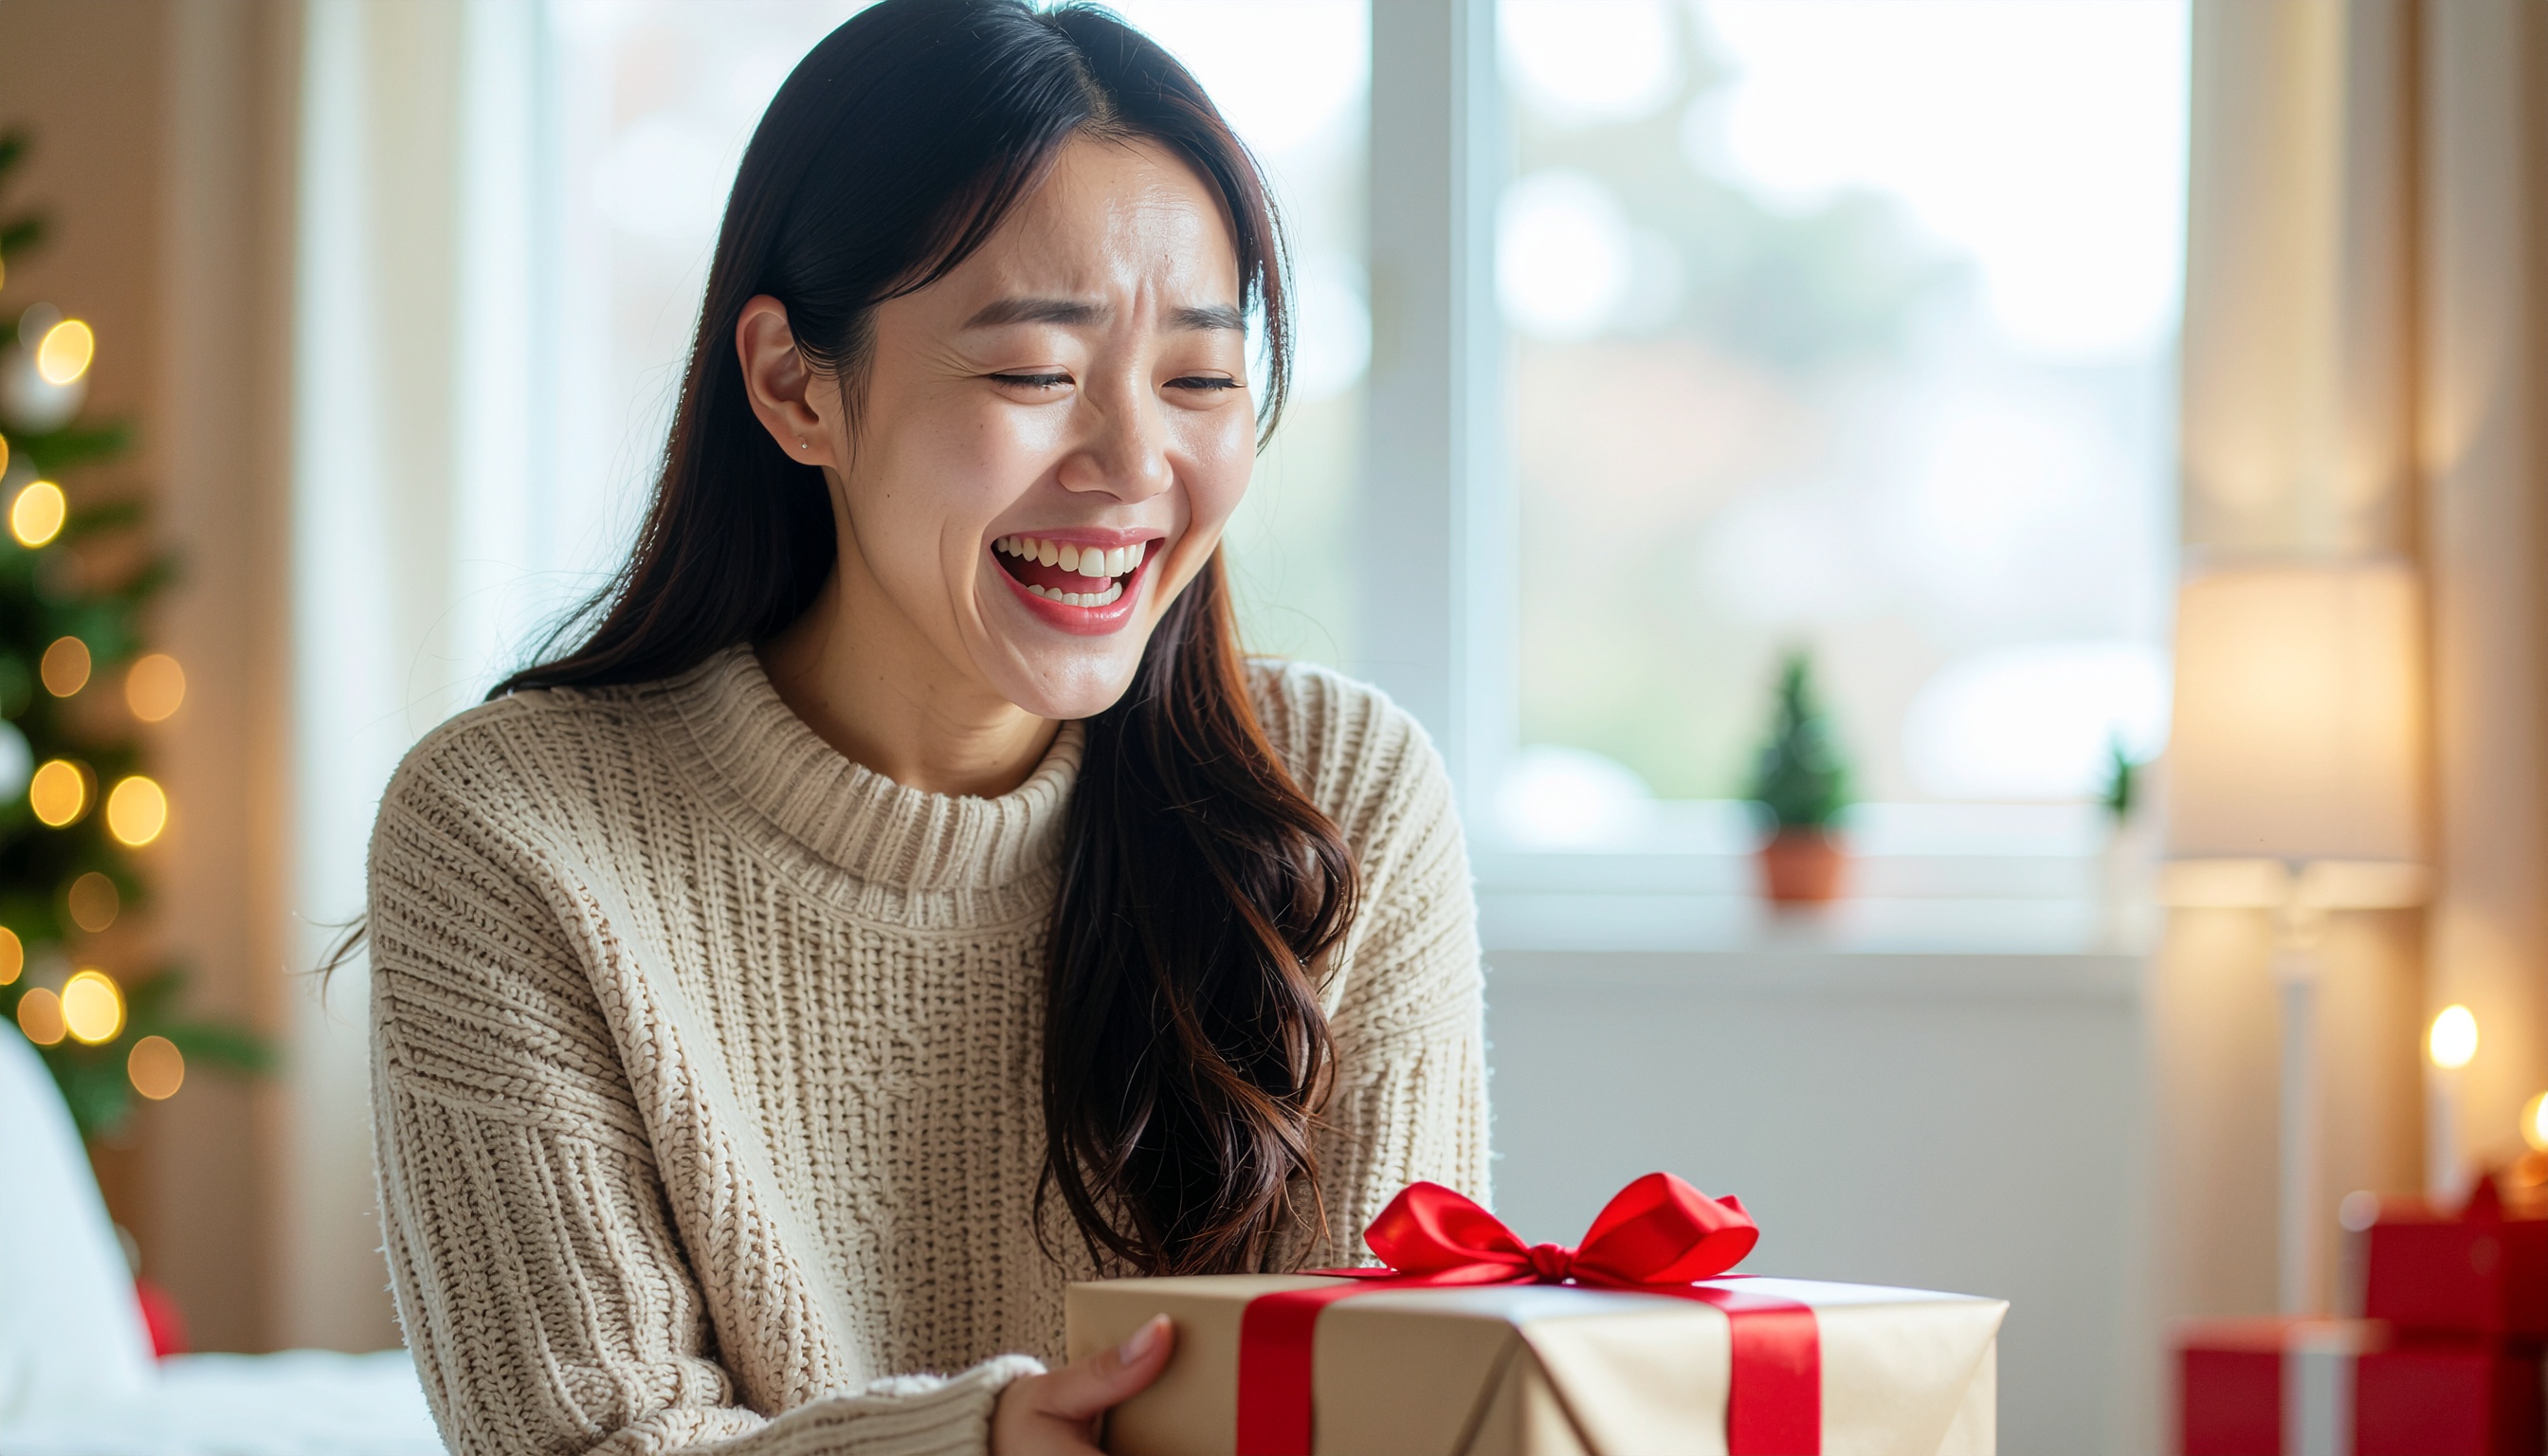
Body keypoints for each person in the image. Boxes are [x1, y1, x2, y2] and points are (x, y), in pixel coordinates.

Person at [361, 3, 1487, 1453]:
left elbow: (1399, 1404)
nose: (1134, 465)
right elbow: (591, 1442)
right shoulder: (514, 831)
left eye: (1201, 379)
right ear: (794, 385)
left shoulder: (1343, 795)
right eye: (1033, 373)